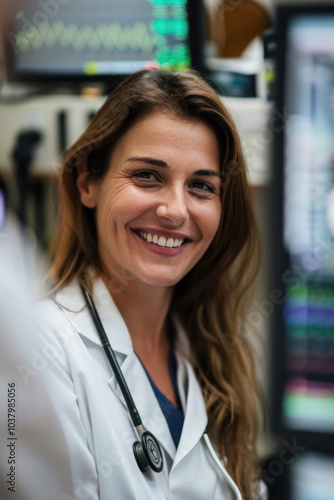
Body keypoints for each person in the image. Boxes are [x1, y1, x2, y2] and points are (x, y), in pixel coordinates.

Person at [34, 69, 265, 500]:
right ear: (88, 182)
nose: (175, 211)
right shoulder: (41, 351)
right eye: (147, 176)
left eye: (201, 186)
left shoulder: (212, 348)